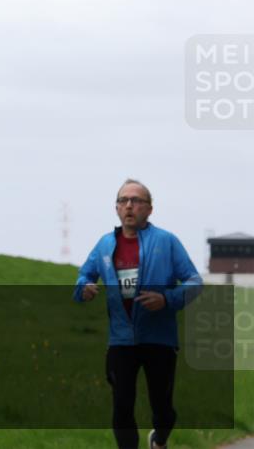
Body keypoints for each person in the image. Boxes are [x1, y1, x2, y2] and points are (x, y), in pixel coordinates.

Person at [74, 179, 202, 449]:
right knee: (121, 408)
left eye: (136, 200)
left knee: (163, 409)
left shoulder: (166, 241)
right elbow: (85, 274)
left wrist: (166, 299)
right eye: (123, 200)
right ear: (116, 208)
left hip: (159, 339)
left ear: (149, 209)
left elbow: (194, 282)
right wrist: (83, 287)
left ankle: (159, 439)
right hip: (121, 340)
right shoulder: (104, 245)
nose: (129, 205)